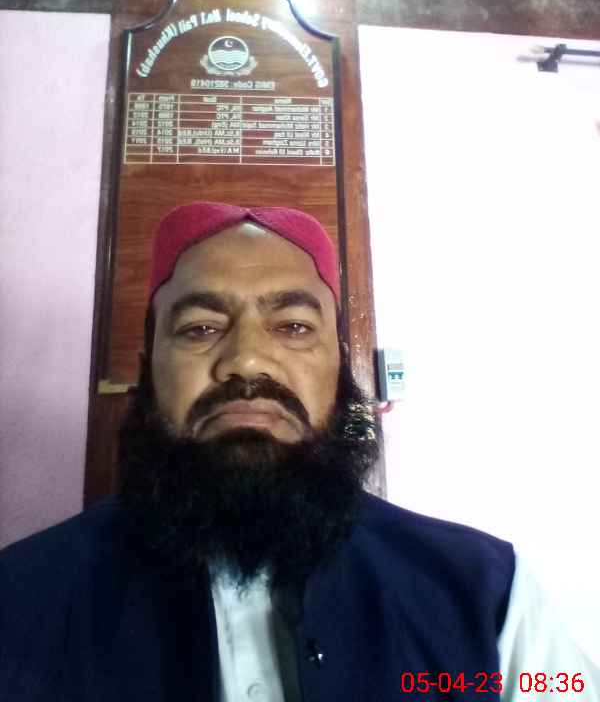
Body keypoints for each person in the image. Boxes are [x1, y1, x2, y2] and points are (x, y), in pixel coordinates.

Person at [0, 200, 598, 702]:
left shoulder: (488, 597)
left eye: (292, 326)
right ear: (147, 369)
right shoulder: (18, 599)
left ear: (339, 367)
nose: (246, 361)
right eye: (200, 328)